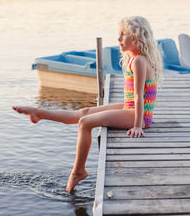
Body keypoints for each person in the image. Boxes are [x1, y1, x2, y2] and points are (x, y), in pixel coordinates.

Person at [12, 16, 163, 192]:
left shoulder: (139, 61)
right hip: (131, 108)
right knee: (85, 112)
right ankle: (39, 113)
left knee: (85, 123)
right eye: (119, 34)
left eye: (123, 35)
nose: (118, 39)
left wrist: (138, 126)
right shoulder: (133, 58)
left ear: (137, 37)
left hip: (139, 116)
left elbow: (139, 96)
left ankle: (79, 171)